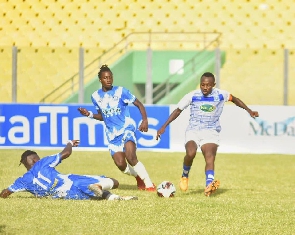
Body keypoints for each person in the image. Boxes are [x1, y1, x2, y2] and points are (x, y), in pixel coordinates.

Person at [156, 72, 259, 197]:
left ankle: (208, 185)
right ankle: (185, 175)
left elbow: (234, 99)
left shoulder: (221, 94)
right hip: (193, 130)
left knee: (209, 156)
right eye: (202, 85)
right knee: (191, 153)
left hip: (211, 131)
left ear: (213, 85)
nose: (205, 88)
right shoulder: (192, 95)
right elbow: (178, 110)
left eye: (208, 85)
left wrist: (249, 110)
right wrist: (163, 126)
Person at [78, 64, 155, 191]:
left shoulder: (121, 91)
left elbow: (139, 104)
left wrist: (145, 120)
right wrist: (89, 114)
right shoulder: (95, 97)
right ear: (100, 80)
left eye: (110, 77)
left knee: (131, 157)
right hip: (112, 135)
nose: (108, 79)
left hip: (126, 128)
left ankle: (149, 184)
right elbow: (104, 117)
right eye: (105, 77)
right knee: (121, 165)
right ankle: (138, 176)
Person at [0, 140, 137, 200]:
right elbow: (65, 153)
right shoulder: (41, 163)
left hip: (65, 196)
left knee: (97, 195)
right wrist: (70, 143)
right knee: (113, 181)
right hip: (71, 182)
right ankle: (99, 185)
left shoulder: (23, 181)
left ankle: (116, 199)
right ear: (35, 159)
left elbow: (5, 193)